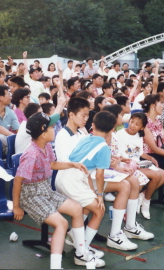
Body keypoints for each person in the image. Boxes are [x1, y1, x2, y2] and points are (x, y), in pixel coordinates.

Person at [13, 112, 90, 269]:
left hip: (46, 189)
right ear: (42, 133)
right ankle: (56, 266)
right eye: (52, 127)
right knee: (61, 223)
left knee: (77, 208)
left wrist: (72, 164)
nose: (55, 130)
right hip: (31, 195)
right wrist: (16, 206)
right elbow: (18, 180)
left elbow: (52, 165)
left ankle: (81, 253)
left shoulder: (46, 146)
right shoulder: (31, 153)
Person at [55, 112, 120, 267]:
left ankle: (78, 241)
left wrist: (93, 192)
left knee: (90, 204)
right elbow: (99, 176)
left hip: (64, 177)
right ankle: (81, 254)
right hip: (73, 181)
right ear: (112, 129)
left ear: (94, 126)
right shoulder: (104, 147)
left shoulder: (85, 138)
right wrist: (100, 195)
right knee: (99, 210)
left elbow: (87, 174)